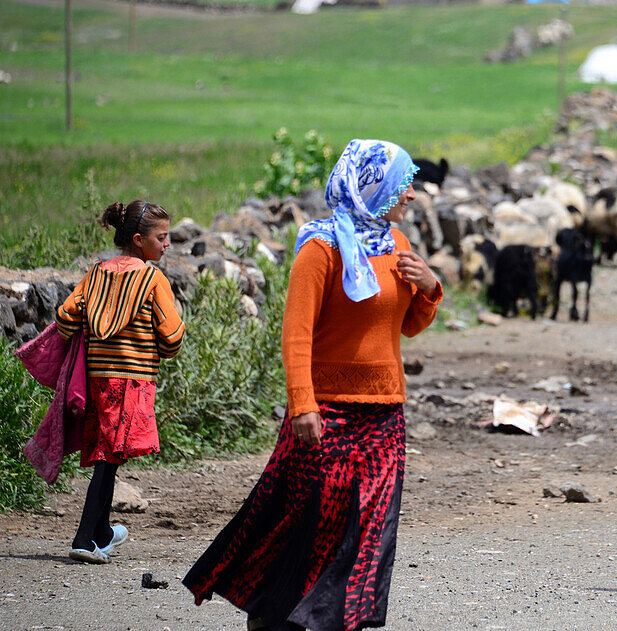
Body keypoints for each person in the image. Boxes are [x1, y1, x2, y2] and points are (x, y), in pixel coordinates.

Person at [184, 139, 442, 630]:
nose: (411, 195)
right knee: (308, 520)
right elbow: (296, 334)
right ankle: (272, 612)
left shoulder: (398, 246)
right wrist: (303, 404)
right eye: (404, 184)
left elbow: (404, 326)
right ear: (374, 186)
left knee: (370, 527)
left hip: (385, 411)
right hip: (325, 412)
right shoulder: (320, 248)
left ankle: (337, 620)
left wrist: (429, 288)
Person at [55, 199, 185, 564]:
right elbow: (173, 339)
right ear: (140, 240)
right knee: (109, 459)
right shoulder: (151, 279)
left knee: (107, 454)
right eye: (162, 237)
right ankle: (83, 538)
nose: (168, 244)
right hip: (132, 380)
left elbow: (65, 319)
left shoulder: (97, 273)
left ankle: (103, 533)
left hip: (97, 379)